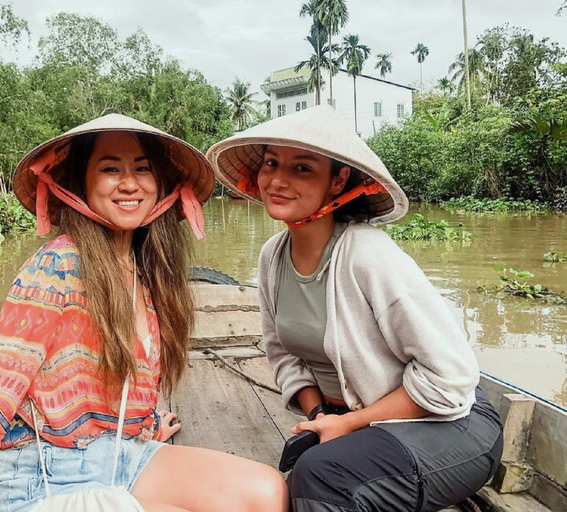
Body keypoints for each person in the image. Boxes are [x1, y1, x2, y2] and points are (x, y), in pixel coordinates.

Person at [0, 114, 288, 512]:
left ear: (160, 186)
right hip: (49, 473)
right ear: (80, 185)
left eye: (142, 169)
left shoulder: (145, 271)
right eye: (110, 169)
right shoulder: (57, 266)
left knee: (266, 492)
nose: (129, 184)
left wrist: (145, 422)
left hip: (122, 453)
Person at [207, 105, 503, 512]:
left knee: (319, 476)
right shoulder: (272, 256)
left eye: (303, 169)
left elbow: (451, 377)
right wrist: (320, 416)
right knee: (302, 470)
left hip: (454, 425)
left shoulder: (367, 255)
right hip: (360, 420)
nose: (278, 180)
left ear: (338, 180)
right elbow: (282, 354)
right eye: (271, 163)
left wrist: (347, 424)